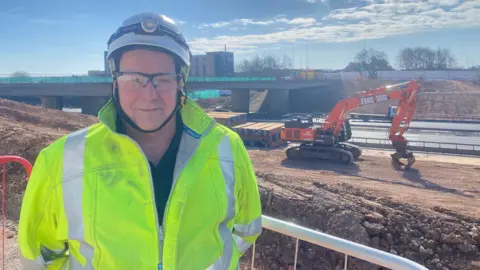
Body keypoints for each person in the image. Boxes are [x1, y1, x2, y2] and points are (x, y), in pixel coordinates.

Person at [18, 12, 262, 269]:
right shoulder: (61, 160)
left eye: (163, 79)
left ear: (181, 84)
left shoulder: (227, 147)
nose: (149, 95)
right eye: (135, 79)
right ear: (115, 83)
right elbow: (39, 257)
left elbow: (246, 229)